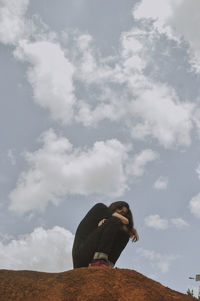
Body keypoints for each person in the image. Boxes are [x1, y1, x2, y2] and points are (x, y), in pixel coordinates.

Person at [72, 201, 139, 268]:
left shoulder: (108, 222)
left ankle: (108, 264)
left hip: (91, 255)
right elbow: (125, 221)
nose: (120, 212)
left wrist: (129, 230)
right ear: (114, 206)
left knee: (125, 234)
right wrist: (131, 228)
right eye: (119, 208)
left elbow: (124, 225)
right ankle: (99, 261)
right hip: (81, 256)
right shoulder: (100, 207)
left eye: (123, 212)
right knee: (115, 220)